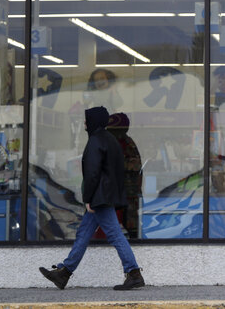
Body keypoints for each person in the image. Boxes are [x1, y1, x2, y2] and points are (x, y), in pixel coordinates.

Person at [39, 105, 145, 291]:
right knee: (84, 234)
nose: (84, 123)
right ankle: (64, 273)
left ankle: (134, 272)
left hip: (100, 198)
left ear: (93, 121)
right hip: (105, 195)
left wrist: (88, 198)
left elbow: (92, 173)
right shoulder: (110, 140)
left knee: (115, 235)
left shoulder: (96, 141)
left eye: (87, 120)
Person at [107, 112, 142, 238]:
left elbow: (135, 165)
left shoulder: (128, 144)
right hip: (115, 191)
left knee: (130, 223)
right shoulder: (112, 142)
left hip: (129, 191)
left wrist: (116, 162)